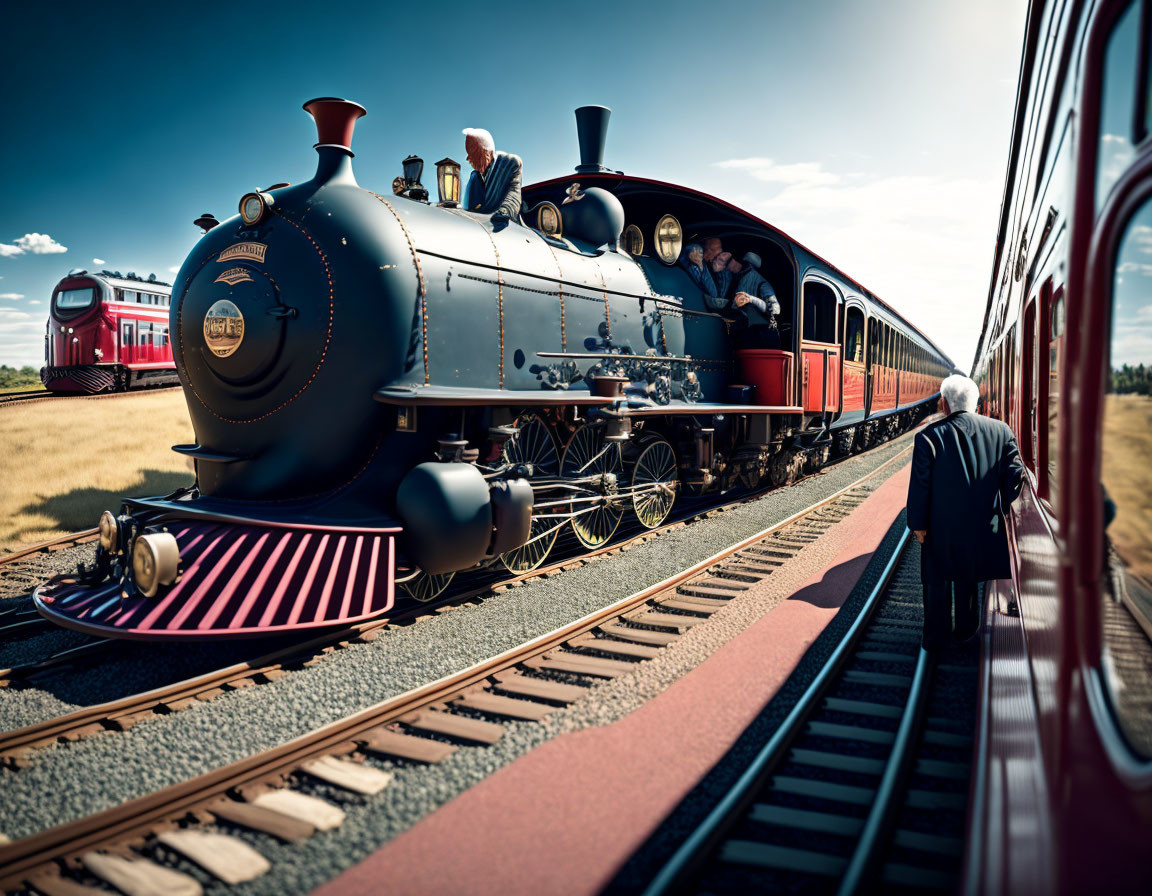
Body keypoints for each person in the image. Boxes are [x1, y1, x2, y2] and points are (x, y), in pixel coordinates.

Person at [906, 374, 1025, 650]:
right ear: (976, 403)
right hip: (982, 525)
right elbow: (1015, 476)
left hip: (940, 528)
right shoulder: (1002, 431)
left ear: (944, 404)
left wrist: (918, 525)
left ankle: (936, 638)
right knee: (968, 575)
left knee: (936, 580)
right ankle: (966, 629)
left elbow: (921, 485)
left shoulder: (928, 438)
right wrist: (1002, 508)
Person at [462, 127, 523, 222]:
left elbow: (514, 195)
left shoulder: (509, 163)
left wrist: (504, 211)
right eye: (468, 154)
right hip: (478, 227)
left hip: (503, 227)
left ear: (487, 152)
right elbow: (468, 207)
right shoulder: (474, 176)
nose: (468, 158)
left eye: (472, 153)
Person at [730, 252, 781, 349]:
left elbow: (775, 309)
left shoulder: (762, 283)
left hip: (760, 335)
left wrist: (750, 299)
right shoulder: (738, 280)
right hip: (742, 332)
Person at [679, 243, 727, 309]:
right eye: (695, 251)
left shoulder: (704, 266)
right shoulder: (683, 263)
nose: (698, 254)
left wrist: (700, 265)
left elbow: (713, 293)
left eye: (700, 252)